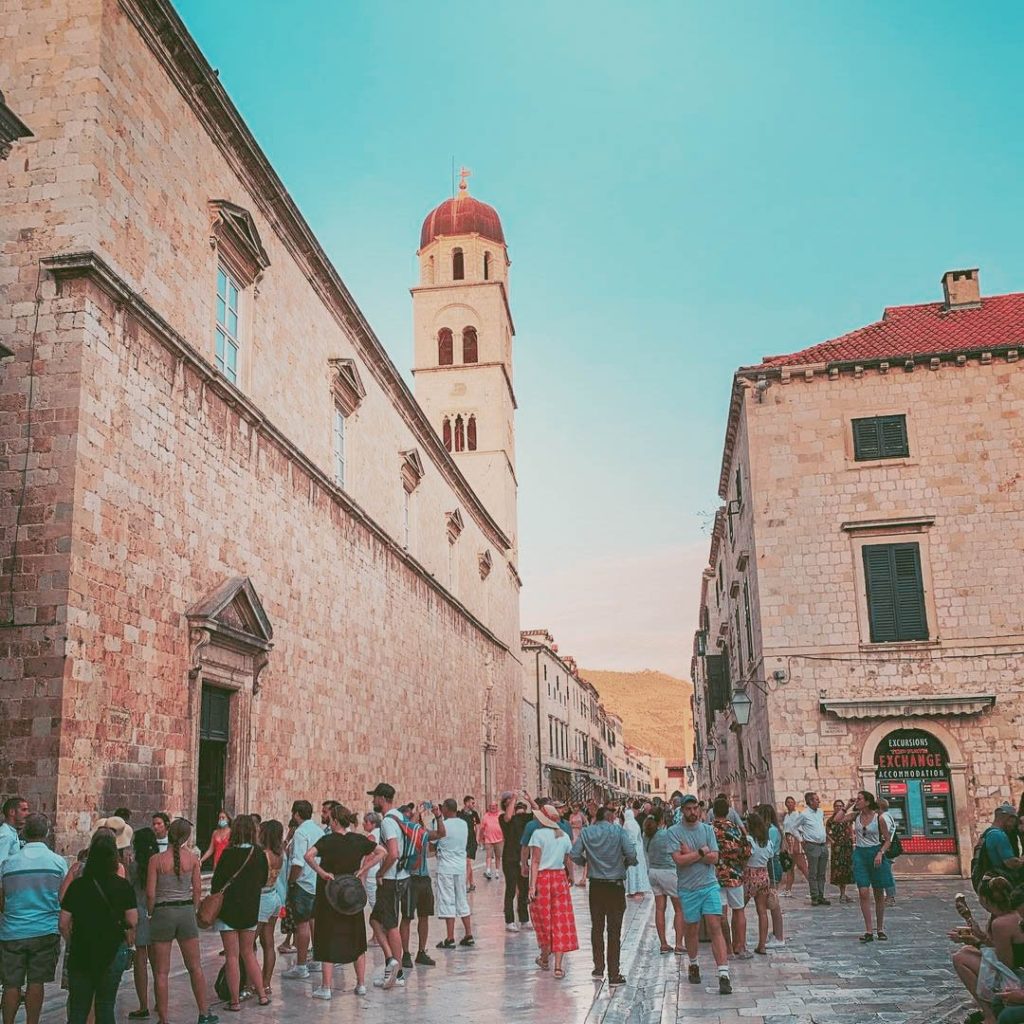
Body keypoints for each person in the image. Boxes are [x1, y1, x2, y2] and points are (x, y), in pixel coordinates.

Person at [305, 803, 384, 1000]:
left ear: (334, 820)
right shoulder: (358, 840)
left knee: (327, 936)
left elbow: (308, 856)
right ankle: (361, 984)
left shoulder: (327, 840)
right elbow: (383, 852)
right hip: (352, 894)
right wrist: (363, 869)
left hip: (330, 893)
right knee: (356, 936)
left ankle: (326, 987)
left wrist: (323, 873)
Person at [59, 828, 138, 1024]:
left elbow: (63, 922)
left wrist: (73, 938)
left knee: (78, 1007)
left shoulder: (78, 886)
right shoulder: (122, 886)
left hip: (82, 949)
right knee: (105, 1005)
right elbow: (132, 920)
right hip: (112, 949)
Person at [146, 818, 216, 1024]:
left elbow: (150, 893)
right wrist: (193, 910)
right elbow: (196, 890)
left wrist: (151, 913)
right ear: (187, 837)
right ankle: (204, 1013)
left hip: (163, 912)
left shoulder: (156, 860)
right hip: (185, 911)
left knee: (161, 971)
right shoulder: (193, 859)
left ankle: (164, 1019)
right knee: (195, 967)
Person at [0, 812, 66, 1024]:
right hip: (45, 929)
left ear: (25, 833)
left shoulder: (9, 864)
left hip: (13, 930)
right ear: (46, 833)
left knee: (10, 984)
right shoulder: (57, 863)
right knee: (36, 982)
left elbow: (2, 898)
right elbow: (63, 896)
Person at [671, 795, 732, 994]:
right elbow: (679, 861)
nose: (692, 812)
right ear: (682, 811)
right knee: (692, 928)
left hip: (709, 885)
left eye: (695, 808)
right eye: (688, 809)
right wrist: (701, 852)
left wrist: (692, 854)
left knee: (716, 925)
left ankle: (723, 974)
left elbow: (715, 858)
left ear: (699, 808)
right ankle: (694, 963)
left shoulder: (707, 830)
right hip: (688, 889)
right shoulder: (674, 833)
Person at [210, 813, 269, 1010]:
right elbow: (263, 880)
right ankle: (261, 995)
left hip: (228, 911)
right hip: (250, 909)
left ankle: (234, 1001)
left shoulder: (228, 854)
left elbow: (216, 883)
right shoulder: (259, 854)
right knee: (249, 953)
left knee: (232, 956)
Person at [571, 806, 636, 984]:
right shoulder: (618, 831)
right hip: (615, 885)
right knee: (614, 930)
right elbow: (631, 853)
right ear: (610, 817)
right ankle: (614, 973)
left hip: (597, 886)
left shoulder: (587, 833)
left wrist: (586, 862)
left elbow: (574, 853)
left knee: (597, 927)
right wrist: (625, 865)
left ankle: (598, 968)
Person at [950, 876, 1020, 1024]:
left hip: (1016, 976)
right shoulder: (1002, 916)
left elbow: (1005, 962)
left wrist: (977, 942)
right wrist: (976, 936)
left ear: (985, 899)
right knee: (965, 952)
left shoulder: (1002, 923)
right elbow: (994, 946)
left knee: (961, 957)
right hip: (1014, 968)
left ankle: (989, 1016)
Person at [528, 803, 578, 980]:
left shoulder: (537, 835)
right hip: (559, 878)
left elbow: (535, 861)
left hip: (542, 879)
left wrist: (532, 886)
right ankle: (557, 966)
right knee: (560, 921)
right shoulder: (563, 836)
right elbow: (568, 859)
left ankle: (544, 957)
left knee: (543, 920)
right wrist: (570, 876)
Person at [366, 783, 407, 990]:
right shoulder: (400, 817)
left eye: (375, 797)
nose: (373, 801)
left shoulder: (388, 822)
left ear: (382, 798)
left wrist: (381, 873)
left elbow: (393, 852)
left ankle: (396, 970)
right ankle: (392, 963)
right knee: (378, 920)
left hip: (390, 879)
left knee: (389, 924)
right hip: (399, 877)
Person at [841, 790, 894, 942]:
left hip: (875, 853)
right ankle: (869, 930)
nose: (857, 801)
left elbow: (888, 840)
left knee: (878, 893)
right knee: (863, 892)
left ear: (867, 802)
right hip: (860, 854)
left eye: (859, 799)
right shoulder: (855, 816)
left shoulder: (879, 819)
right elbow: (837, 820)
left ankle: (880, 928)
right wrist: (847, 805)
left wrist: (880, 853)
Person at [282, 800, 322, 978]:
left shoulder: (301, 833)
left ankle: (300, 965)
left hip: (303, 883)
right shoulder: (319, 830)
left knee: (302, 924)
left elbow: (298, 863)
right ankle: (317, 959)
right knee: (314, 920)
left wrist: (291, 881)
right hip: (316, 882)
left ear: (297, 813)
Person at [711, 795, 752, 958]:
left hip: (715, 877)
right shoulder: (734, 828)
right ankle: (739, 947)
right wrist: (741, 865)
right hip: (734, 875)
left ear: (713, 812)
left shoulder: (707, 829)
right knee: (739, 910)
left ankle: (726, 948)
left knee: (721, 914)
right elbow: (746, 850)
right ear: (728, 811)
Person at [127, 826, 160, 1019]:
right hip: (155, 913)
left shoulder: (134, 866)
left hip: (139, 912)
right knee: (157, 961)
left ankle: (142, 1004)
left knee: (140, 959)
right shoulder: (159, 862)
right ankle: (159, 1000)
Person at [398, 803, 436, 969]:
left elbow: (441, 833)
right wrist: (416, 814)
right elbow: (410, 828)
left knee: (424, 915)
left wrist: (438, 816)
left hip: (424, 878)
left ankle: (421, 951)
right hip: (410, 879)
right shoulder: (404, 833)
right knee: (407, 917)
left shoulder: (423, 833)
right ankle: (405, 953)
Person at [433, 798, 474, 949]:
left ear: (446, 809)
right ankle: (468, 934)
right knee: (462, 899)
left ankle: (450, 938)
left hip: (446, 867)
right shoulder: (463, 824)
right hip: (460, 866)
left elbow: (432, 840)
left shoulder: (442, 824)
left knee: (448, 900)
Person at [641, 808, 682, 956]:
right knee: (679, 909)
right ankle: (678, 944)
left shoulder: (646, 835)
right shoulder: (666, 834)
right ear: (662, 820)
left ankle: (664, 943)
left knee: (659, 909)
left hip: (653, 873)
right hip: (668, 872)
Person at [256, 820, 285, 995]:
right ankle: (266, 982)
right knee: (268, 942)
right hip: (274, 896)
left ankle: (252, 982)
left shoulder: (263, 855)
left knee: (250, 943)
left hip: (262, 897)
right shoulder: (279, 854)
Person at [742, 809, 774, 956]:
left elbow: (744, 857)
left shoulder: (749, 840)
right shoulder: (768, 842)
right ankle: (762, 945)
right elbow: (771, 859)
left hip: (750, 875)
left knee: (739, 910)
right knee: (762, 911)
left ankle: (740, 943)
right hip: (764, 876)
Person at [754, 803, 785, 946]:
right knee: (770, 901)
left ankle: (779, 937)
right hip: (770, 864)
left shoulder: (771, 830)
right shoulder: (772, 829)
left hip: (772, 864)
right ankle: (776, 934)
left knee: (773, 902)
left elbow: (769, 850)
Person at [500, 796, 532, 932]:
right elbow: (508, 816)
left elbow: (538, 812)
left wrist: (529, 799)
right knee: (511, 890)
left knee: (523, 890)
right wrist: (513, 798)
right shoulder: (503, 819)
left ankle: (524, 918)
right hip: (510, 858)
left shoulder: (525, 820)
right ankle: (509, 920)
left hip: (523, 858)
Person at [793, 791, 829, 906]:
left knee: (821, 872)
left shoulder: (820, 812)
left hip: (822, 844)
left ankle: (821, 895)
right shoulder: (804, 814)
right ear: (810, 801)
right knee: (813, 872)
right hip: (812, 845)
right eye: (816, 799)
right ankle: (814, 896)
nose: (818, 801)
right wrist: (801, 839)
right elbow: (793, 827)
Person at [826, 799, 854, 903]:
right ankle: (842, 894)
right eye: (836, 806)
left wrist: (852, 840)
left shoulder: (847, 818)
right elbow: (827, 832)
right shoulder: (830, 820)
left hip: (847, 846)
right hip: (837, 848)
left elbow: (850, 830)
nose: (838, 807)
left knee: (846, 869)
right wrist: (832, 841)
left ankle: (843, 893)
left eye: (840, 806)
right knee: (839, 870)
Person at [781, 796, 808, 895]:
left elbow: (798, 830)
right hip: (788, 841)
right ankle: (788, 890)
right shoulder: (787, 816)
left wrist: (797, 843)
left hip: (795, 840)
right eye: (788, 802)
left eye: (792, 802)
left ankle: (813, 888)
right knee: (789, 867)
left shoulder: (797, 815)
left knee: (802, 866)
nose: (790, 804)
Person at [624, 804, 651, 900]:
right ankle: (639, 890)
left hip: (632, 849)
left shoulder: (628, 824)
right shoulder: (634, 823)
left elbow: (631, 838)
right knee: (638, 869)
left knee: (633, 869)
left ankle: (635, 890)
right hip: (638, 850)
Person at [458, 796, 481, 892]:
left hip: (471, 840)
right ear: (466, 803)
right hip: (462, 841)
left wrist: (477, 839)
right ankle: (472, 883)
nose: (473, 805)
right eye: (472, 803)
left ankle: (465, 884)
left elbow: (478, 827)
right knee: (468, 862)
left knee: (467, 861)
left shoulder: (475, 814)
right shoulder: (459, 814)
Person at [0, 796, 29, 871]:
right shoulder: (5, 835)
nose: (27, 814)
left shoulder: (12, 832)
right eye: (23, 810)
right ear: (12, 812)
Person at [361, 812, 382, 912]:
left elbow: (368, 858)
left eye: (366, 822)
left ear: (373, 824)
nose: (363, 824)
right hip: (382, 871)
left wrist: (362, 876)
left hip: (372, 874)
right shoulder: (382, 833)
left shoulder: (371, 837)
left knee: (375, 906)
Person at [480, 802, 504, 882]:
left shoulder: (500, 815)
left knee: (498, 856)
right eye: (491, 806)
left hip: (499, 839)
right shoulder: (485, 816)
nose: (493, 807)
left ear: (497, 807)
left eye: (494, 806)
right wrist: (481, 838)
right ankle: (488, 871)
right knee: (488, 856)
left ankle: (497, 872)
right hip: (488, 839)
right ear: (489, 807)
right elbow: (482, 828)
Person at [568, 805, 587, 887]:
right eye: (573, 808)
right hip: (573, 832)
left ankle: (581, 863)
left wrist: (582, 827)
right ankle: (574, 865)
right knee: (573, 848)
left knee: (580, 848)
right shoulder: (571, 815)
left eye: (576, 808)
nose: (575, 809)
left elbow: (586, 822)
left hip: (579, 832)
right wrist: (575, 826)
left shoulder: (581, 815)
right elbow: (569, 824)